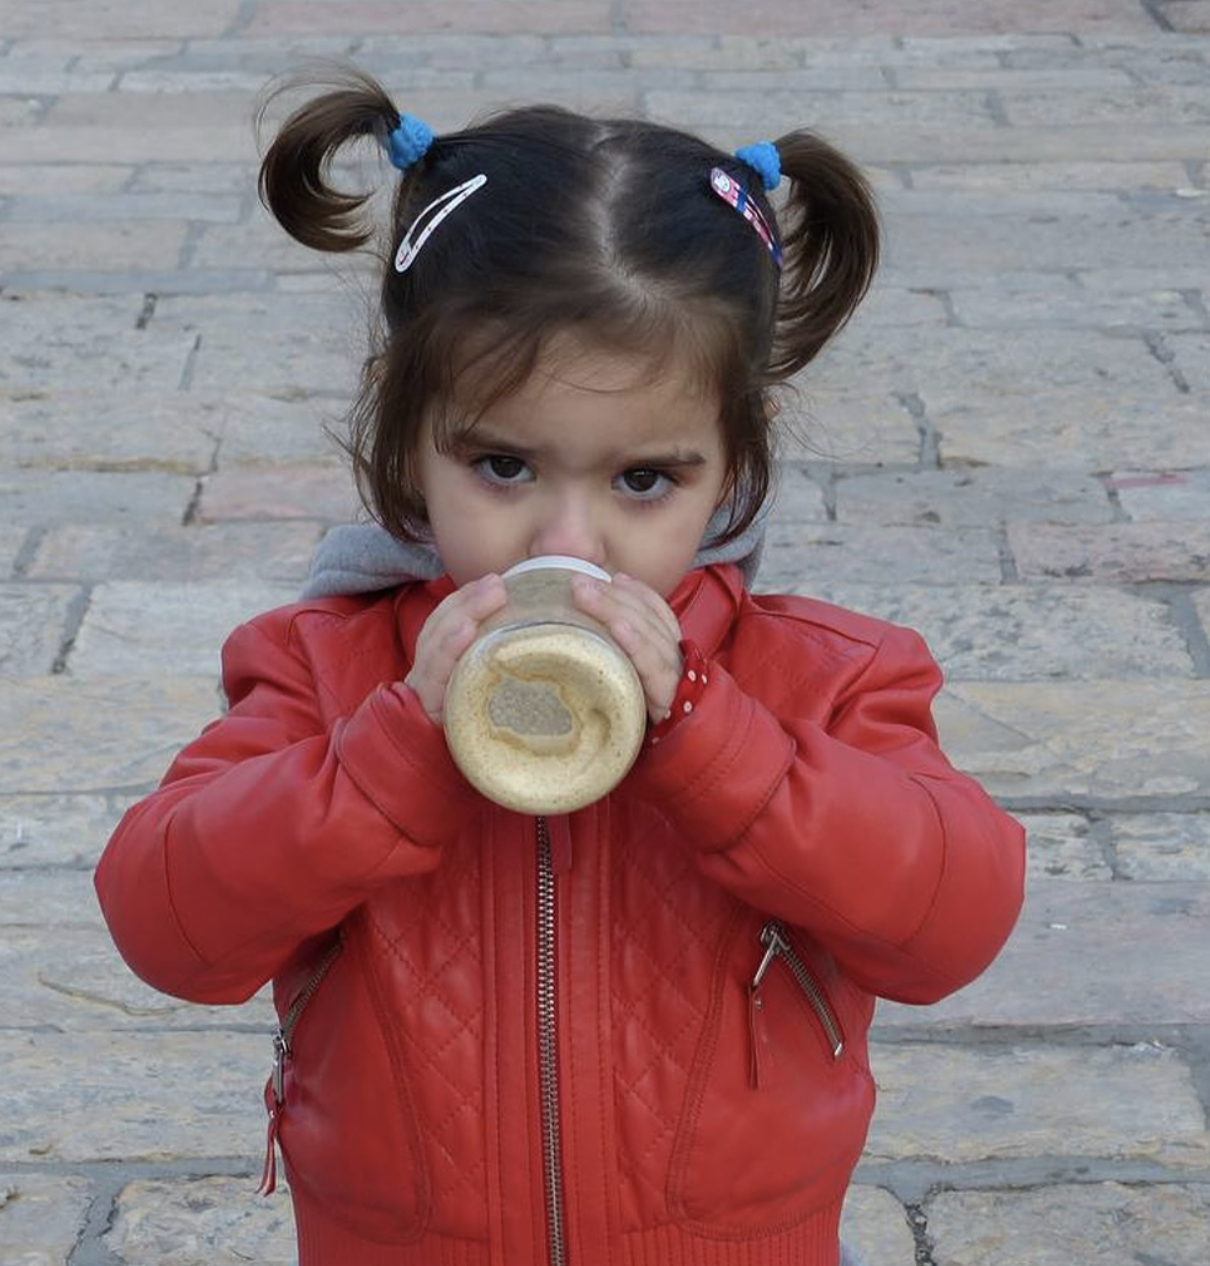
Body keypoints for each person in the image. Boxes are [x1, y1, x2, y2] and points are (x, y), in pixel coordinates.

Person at [95, 65, 1025, 1266]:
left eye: (643, 480)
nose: (569, 544)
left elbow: (952, 927)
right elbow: (167, 928)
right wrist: (390, 751)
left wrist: (719, 742)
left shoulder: (829, 679)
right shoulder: (320, 671)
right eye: (503, 467)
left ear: (732, 467)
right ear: (407, 438)